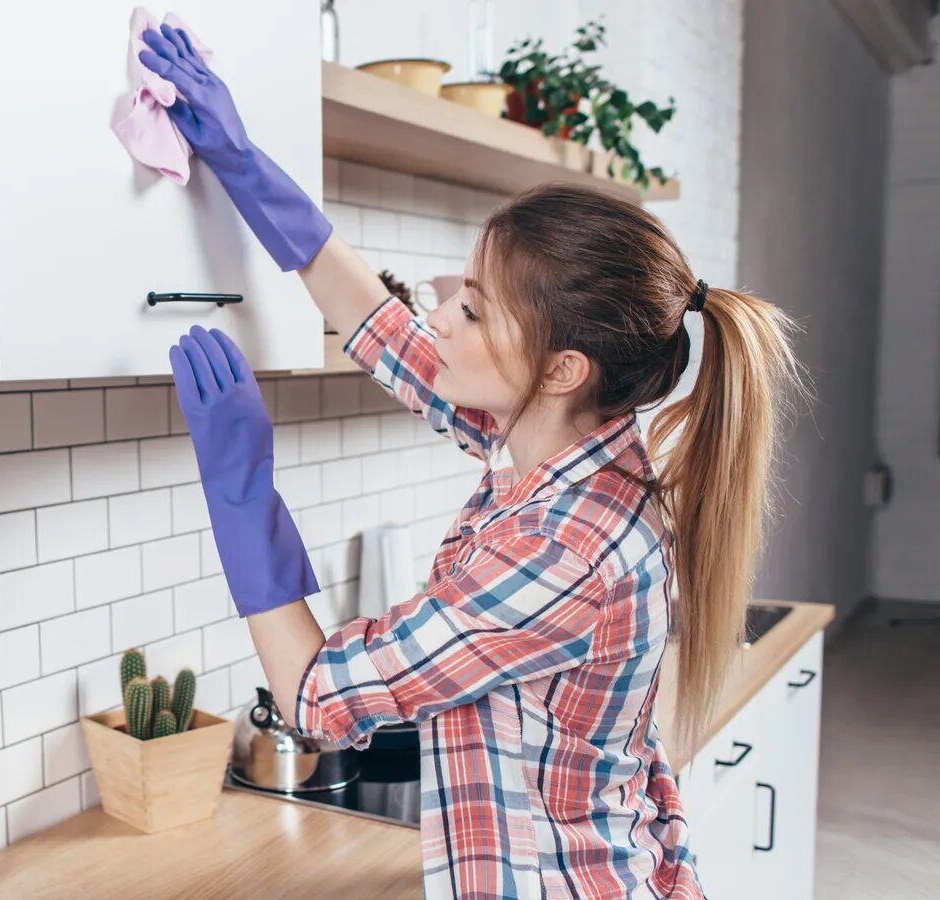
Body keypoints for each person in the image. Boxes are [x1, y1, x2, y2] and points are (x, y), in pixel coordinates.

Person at [141, 23, 809, 900]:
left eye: (477, 311)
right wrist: (240, 156)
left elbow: (313, 697)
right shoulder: (556, 445)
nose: (443, 315)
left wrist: (241, 491)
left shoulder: (562, 546)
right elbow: (374, 321)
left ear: (563, 369)